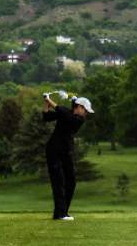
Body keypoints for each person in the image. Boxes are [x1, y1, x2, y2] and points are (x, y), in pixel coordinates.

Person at [42, 93, 94, 221]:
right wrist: (46, 102)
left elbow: (63, 112)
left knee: (71, 181)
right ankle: (60, 214)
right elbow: (46, 116)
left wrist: (50, 100)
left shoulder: (78, 120)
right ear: (79, 107)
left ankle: (63, 212)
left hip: (66, 152)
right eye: (85, 110)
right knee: (58, 181)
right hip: (53, 150)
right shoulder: (67, 113)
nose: (86, 113)